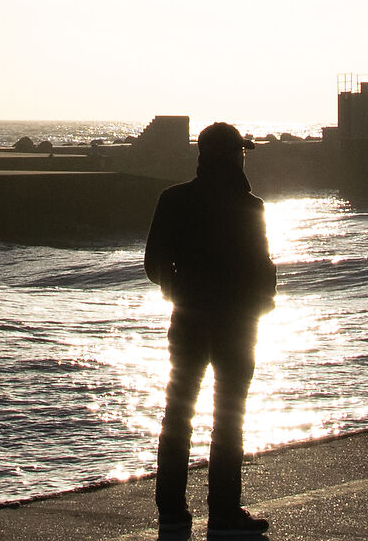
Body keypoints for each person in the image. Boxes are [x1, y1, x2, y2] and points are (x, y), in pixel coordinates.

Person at [146, 122, 276, 536]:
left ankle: (171, 511)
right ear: (232, 155)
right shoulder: (249, 205)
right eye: (240, 151)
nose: (243, 157)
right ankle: (222, 512)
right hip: (236, 325)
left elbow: (153, 264)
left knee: (178, 415)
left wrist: (177, 290)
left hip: (186, 321)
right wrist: (261, 304)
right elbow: (261, 266)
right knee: (228, 417)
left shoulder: (174, 199)